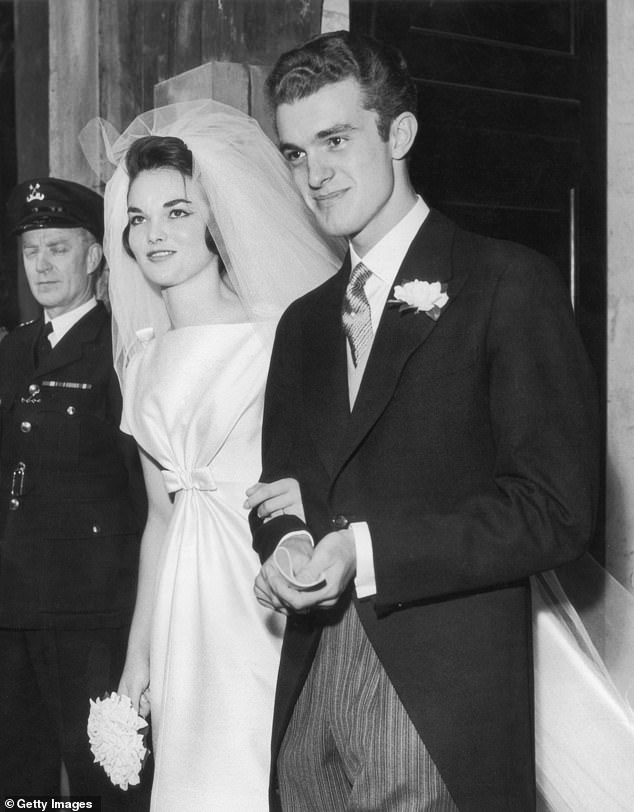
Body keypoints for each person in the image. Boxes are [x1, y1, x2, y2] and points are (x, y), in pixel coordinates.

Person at [249, 31, 600, 811]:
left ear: (398, 134)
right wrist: (290, 545)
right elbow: (277, 490)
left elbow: (556, 511)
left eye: (335, 140)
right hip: (309, 700)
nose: (314, 175)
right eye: (296, 153)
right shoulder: (302, 325)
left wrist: (367, 550)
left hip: (437, 705)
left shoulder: (506, 283)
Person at [93, 100, 343, 811]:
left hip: (262, 588)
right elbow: (160, 519)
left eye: (175, 211)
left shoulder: (277, 335)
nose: (152, 234)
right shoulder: (141, 360)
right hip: (183, 605)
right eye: (137, 219)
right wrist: (139, 649)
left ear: (215, 219)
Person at [0, 178, 148, 808]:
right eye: (32, 251)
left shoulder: (120, 349)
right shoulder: (14, 349)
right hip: (13, 603)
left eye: (58, 249)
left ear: (94, 256)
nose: (42, 265)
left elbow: (143, 495)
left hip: (91, 608)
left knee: (100, 778)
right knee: (20, 778)